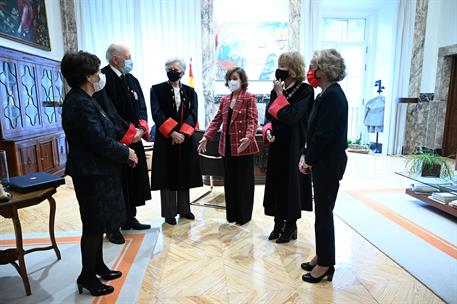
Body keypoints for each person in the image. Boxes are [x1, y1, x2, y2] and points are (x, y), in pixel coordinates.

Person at [61, 51, 138, 296]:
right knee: (94, 225)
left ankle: (98, 266)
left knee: (102, 221)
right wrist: (126, 153)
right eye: (96, 71)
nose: (99, 74)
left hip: (101, 170)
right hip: (91, 173)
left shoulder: (88, 98)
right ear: (88, 76)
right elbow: (99, 141)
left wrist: (126, 142)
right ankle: (86, 276)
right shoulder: (79, 103)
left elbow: (108, 128)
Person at [299, 49, 348, 283]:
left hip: (328, 162)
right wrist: (306, 154)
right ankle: (323, 254)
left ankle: (327, 264)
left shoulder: (333, 96)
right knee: (321, 212)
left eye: (314, 67)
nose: (311, 72)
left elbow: (324, 135)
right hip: (322, 160)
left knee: (324, 213)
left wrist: (308, 159)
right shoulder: (324, 94)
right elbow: (313, 132)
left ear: (325, 69)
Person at [102, 43, 151, 244]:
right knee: (116, 184)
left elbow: (141, 106)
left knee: (132, 181)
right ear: (115, 58)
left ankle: (130, 217)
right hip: (117, 142)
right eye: (128, 56)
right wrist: (129, 134)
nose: (131, 60)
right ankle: (113, 227)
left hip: (135, 138)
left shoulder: (131, 79)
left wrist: (141, 128)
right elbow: (108, 112)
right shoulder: (103, 78)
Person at [262, 51, 314, 243]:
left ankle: (291, 225)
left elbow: (292, 116)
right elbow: (269, 115)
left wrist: (279, 95)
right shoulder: (276, 89)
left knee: (291, 186)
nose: (280, 69)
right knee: (277, 183)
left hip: (294, 144)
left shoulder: (305, 91)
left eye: (283, 66)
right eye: (279, 65)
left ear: (293, 69)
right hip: (277, 143)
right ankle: (278, 222)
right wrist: (267, 129)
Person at [198, 67, 259, 225]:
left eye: (236, 78)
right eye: (230, 78)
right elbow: (217, 120)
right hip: (227, 147)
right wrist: (206, 137)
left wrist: (249, 136)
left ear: (242, 80)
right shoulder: (225, 100)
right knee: (230, 182)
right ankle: (232, 215)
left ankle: (244, 216)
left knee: (244, 182)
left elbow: (253, 120)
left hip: (243, 146)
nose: (232, 81)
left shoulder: (249, 98)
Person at [150, 58, 202, 225]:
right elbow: (156, 113)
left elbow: (193, 114)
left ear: (183, 72)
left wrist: (183, 134)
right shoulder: (157, 90)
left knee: (184, 172)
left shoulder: (190, 91)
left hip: (185, 140)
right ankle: (169, 212)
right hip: (166, 139)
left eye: (175, 68)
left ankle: (184, 209)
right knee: (167, 175)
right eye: (169, 68)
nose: (172, 70)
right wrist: (172, 133)